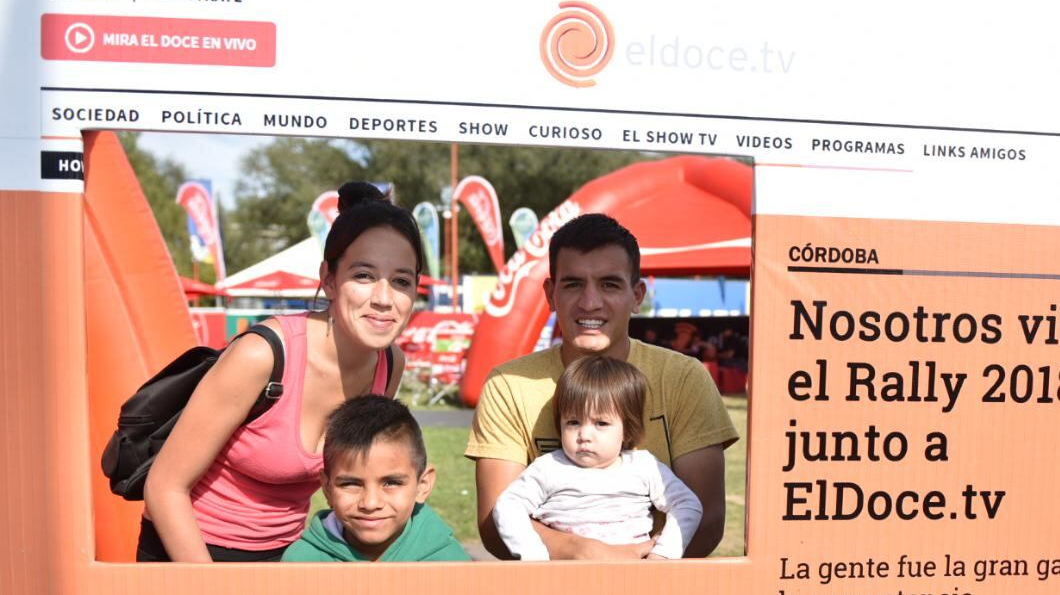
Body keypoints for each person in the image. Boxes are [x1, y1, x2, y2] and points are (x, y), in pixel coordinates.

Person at [139, 182, 420, 562]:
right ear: (329, 279)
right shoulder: (263, 355)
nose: (384, 299)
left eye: (401, 281)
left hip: (285, 559)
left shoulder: (389, 365)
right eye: (364, 276)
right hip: (188, 554)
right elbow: (164, 487)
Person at [466, 212, 737, 560]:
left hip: (658, 593)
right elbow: (495, 523)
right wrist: (583, 552)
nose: (590, 302)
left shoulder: (684, 378)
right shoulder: (508, 385)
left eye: (609, 284)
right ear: (550, 293)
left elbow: (707, 517)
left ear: (637, 295)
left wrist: (644, 570)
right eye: (573, 283)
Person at [492, 356, 702, 561]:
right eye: (573, 422)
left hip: (636, 576)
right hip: (566, 577)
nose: (584, 435)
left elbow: (687, 503)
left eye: (601, 423)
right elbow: (509, 506)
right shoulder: (548, 467)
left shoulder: (645, 467)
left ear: (627, 430)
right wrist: (534, 556)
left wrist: (663, 554)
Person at [282, 396, 469, 563]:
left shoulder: (449, 564)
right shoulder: (302, 562)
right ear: (327, 488)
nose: (370, 504)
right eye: (351, 484)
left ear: (423, 485)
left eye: (392, 483)